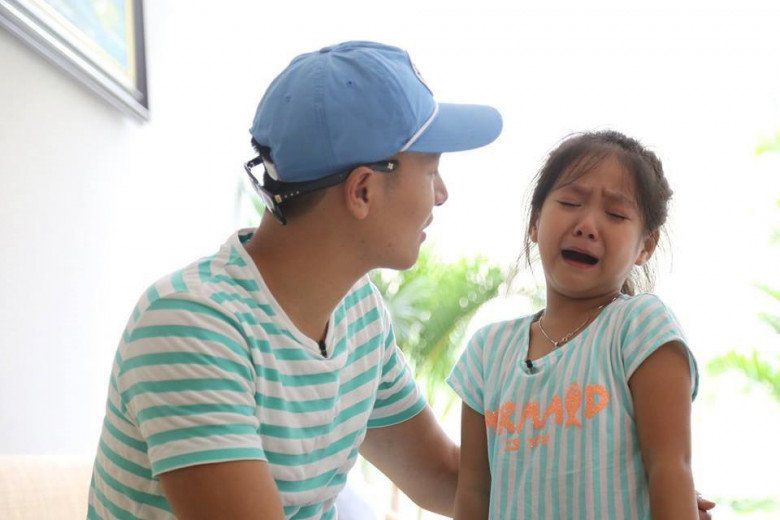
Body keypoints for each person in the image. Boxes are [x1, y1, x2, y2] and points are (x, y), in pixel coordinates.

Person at [86, 40, 502, 519]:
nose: (442, 194)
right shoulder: (191, 326)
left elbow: (449, 482)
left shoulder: (360, 313)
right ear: (363, 191)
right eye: (431, 171)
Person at [449, 131, 712, 519]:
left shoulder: (640, 328)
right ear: (535, 221)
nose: (587, 225)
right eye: (570, 202)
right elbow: (472, 493)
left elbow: (670, 471)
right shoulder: (487, 352)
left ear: (646, 246)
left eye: (616, 214)